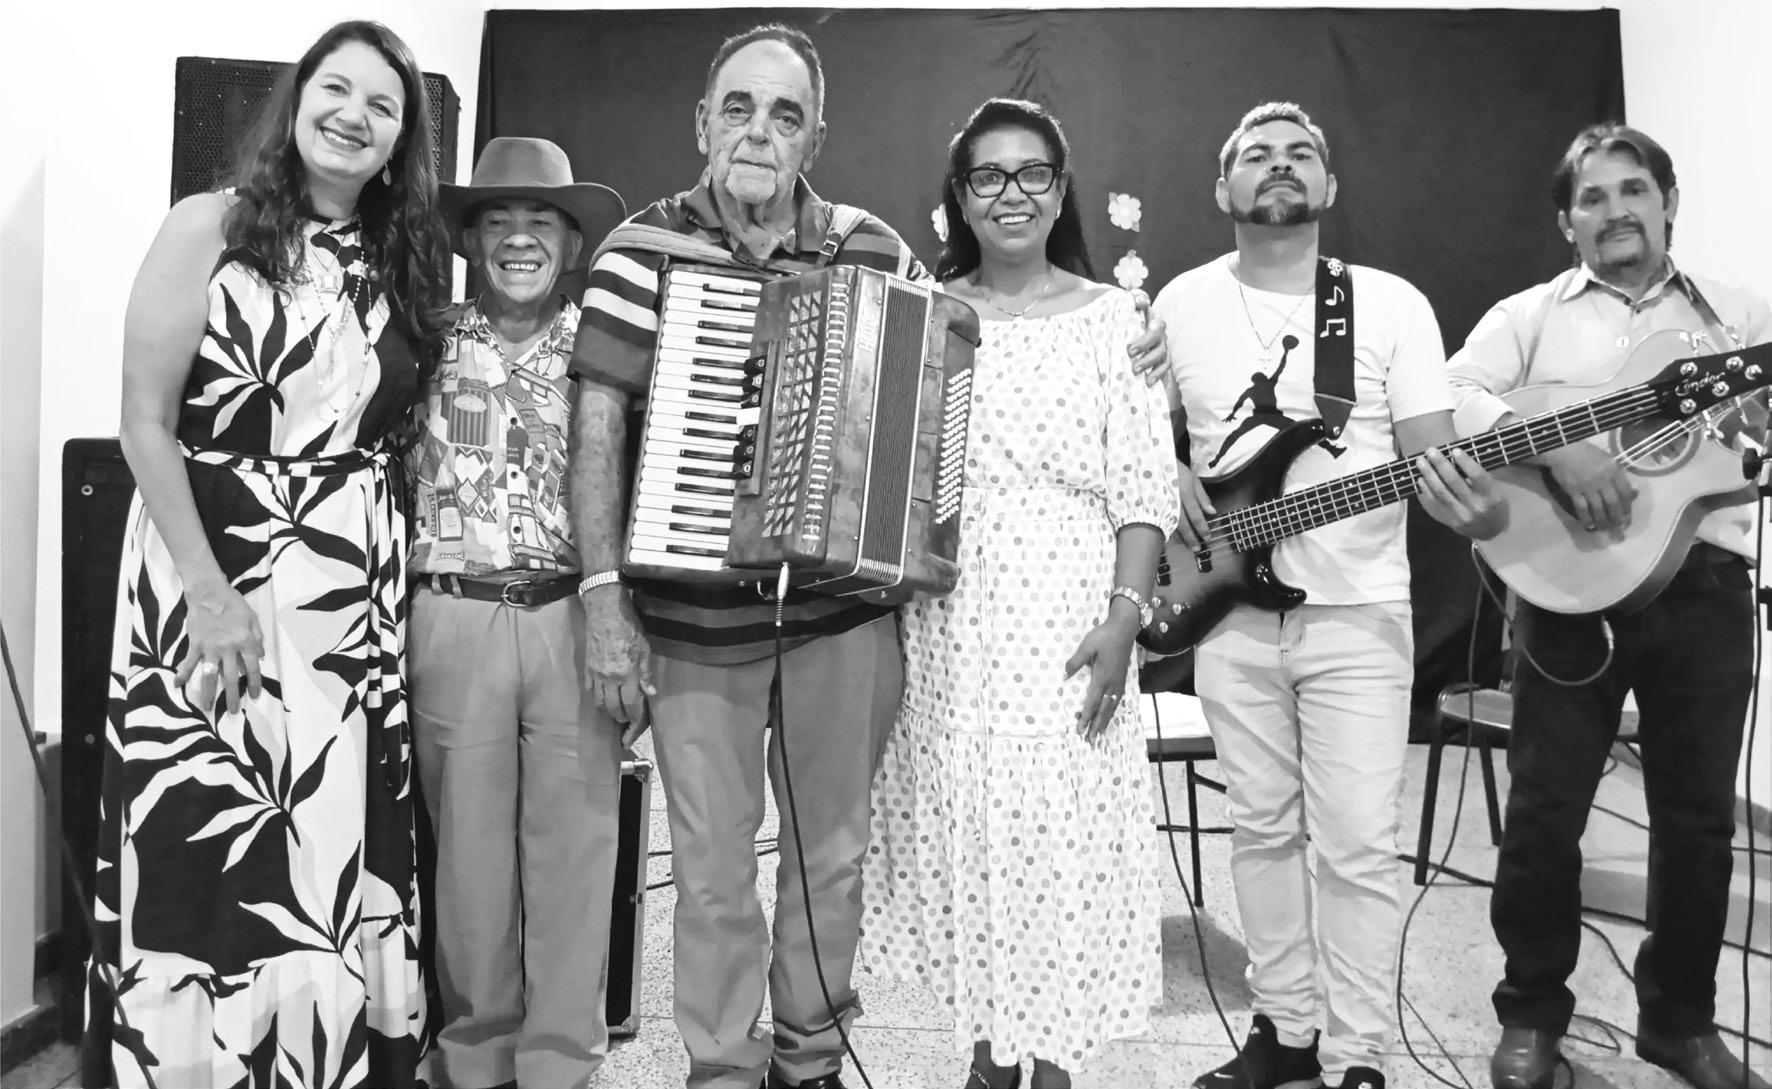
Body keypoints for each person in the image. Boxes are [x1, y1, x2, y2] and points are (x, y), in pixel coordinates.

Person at [566, 24, 1170, 1089]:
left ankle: (809, 1062)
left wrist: (1145, 342)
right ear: (702, 122)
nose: (759, 131)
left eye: (785, 114)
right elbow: (597, 432)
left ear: (816, 136)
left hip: (841, 625)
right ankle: (722, 1066)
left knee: (830, 861)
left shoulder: (876, 251)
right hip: (693, 626)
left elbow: (974, 362)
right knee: (709, 871)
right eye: (739, 107)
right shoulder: (635, 250)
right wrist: (604, 597)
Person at [90, 19, 449, 1089]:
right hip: (217, 570)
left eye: (382, 106)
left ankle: (322, 1060)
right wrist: (208, 592)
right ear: (296, 102)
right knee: (214, 826)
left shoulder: (402, 254)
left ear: (401, 139)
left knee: (329, 840)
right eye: (336, 89)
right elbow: (144, 423)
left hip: (348, 593)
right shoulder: (206, 227)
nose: (354, 116)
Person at [1150, 101, 1505, 1089]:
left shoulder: (1389, 304)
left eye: (1299, 152)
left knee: (1355, 848)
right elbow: (1142, 427)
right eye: (1256, 153)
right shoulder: (1179, 303)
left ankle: (1355, 1055)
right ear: (1222, 188)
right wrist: (1161, 467)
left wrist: (1475, 507)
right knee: (1260, 831)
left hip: (1358, 614)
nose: (1279, 163)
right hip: (1227, 609)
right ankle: (1284, 1029)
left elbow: (1433, 456)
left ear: (1329, 186)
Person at [859, 98, 1180, 1089]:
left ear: (1059, 189)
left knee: (1056, 836)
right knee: (976, 833)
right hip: (951, 623)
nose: (1011, 192)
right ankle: (988, 1056)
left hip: (1071, 617)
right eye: (987, 175)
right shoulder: (923, 312)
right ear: (958, 198)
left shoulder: (1115, 321)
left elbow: (1143, 490)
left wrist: (1124, 618)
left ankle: (1051, 1063)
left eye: (1032, 172)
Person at [1444, 122, 1771, 1089]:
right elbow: (1449, 393)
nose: (1616, 209)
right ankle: (1530, 1013)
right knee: (1544, 815)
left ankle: (1680, 1020)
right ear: (1567, 222)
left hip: (1705, 590)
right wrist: (1559, 445)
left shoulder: (1739, 319)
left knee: (1698, 822)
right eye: (1593, 196)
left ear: (1669, 204)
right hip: (1567, 594)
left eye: (1635, 189)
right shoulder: (1528, 316)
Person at [410, 136, 627, 1089]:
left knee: (576, 850)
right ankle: (476, 1054)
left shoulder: (611, 354)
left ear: (572, 243)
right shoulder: (419, 343)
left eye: (541, 220)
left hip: (571, 616)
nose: (519, 238)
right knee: (465, 859)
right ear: (470, 241)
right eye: (496, 220)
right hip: (453, 616)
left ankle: (561, 1060)